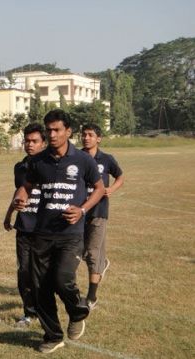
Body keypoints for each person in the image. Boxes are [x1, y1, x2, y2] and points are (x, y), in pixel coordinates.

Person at [13, 110, 105, 354]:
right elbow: (28, 185)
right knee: (41, 286)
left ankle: (77, 311)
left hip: (71, 234)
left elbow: (98, 188)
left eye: (56, 130)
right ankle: (53, 335)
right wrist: (22, 196)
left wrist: (83, 210)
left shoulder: (83, 161)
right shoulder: (38, 161)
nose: (52, 134)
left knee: (63, 279)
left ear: (68, 132)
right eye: (49, 130)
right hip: (41, 234)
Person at [3, 123, 46, 327]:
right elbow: (19, 191)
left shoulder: (50, 166)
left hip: (44, 229)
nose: (30, 145)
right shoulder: (19, 167)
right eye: (27, 141)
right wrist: (9, 214)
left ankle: (45, 309)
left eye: (34, 141)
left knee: (43, 274)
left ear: (43, 143)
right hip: (24, 227)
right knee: (24, 273)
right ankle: (29, 313)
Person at [81, 124, 124, 309]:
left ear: (98, 138)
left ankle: (91, 297)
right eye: (83, 135)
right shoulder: (76, 157)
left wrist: (111, 189)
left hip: (99, 212)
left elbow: (120, 176)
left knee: (92, 253)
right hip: (79, 211)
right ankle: (102, 263)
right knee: (79, 251)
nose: (86, 138)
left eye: (90, 135)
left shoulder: (106, 159)